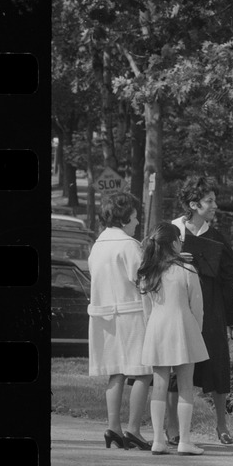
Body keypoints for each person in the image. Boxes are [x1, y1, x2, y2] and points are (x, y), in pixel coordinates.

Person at [167, 177, 233, 446]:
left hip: (210, 308)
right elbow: (153, 263)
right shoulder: (172, 232)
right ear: (193, 204)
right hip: (179, 307)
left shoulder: (216, 237)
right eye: (209, 201)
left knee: (217, 364)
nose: (215, 206)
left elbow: (230, 273)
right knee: (176, 366)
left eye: (214, 200)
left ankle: (221, 424)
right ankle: (172, 426)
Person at [87, 192, 152, 450]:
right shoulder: (129, 245)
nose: (137, 222)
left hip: (103, 315)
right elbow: (143, 280)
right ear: (124, 219)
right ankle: (133, 429)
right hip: (130, 314)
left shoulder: (98, 245)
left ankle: (113, 427)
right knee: (144, 372)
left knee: (116, 372)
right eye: (134, 217)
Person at [137, 222, 209, 455]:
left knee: (159, 385)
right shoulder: (187, 270)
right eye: (180, 239)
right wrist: (196, 331)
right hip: (183, 328)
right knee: (186, 385)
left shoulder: (148, 271)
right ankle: (184, 440)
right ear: (174, 243)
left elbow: (147, 310)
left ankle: (158, 440)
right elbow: (197, 307)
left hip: (157, 329)